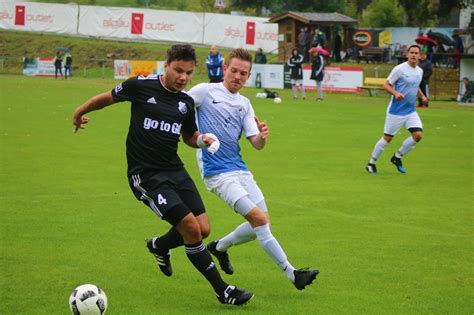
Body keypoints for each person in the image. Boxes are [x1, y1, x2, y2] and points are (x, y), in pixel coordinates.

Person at [72, 44, 253, 306]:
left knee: (203, 228)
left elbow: (189, 136)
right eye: (178, 70)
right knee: (191, 228)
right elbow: (108, 97)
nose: (183, 77)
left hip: (175, 170)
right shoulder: (141, 86)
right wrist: (80, 111)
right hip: (145, 175)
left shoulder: (185, 102)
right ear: (166, 66)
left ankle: (159, 246)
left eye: (189, 73)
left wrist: (203, 140)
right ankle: (223, 291)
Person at [187, 48, 319, 292]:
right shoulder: (205, 91)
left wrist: (263, 137)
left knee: (262, 222)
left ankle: (219, 247)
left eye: (243, 73)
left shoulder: (244, 104)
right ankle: (293, 274)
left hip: (241, 170)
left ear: (248, 77)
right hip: (218, 174)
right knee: (258, 219)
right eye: (234, 70)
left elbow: (255, 144)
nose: (237, 76)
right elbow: (180, 105)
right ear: (225, 69)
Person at [365, 45, 428, 174]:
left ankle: (397, 157)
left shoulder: (419, 71)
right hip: (396, 111)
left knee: (418, 135)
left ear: (420, 55)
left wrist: (421, 96)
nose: (414, 55)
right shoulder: (399, 69)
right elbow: (386, 85)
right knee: (387, 138)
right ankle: (371, 163)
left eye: (416, 53)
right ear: (407, 54)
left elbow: (415, 86)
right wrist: (395, 93)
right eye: (411, 53)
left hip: (410, 111)